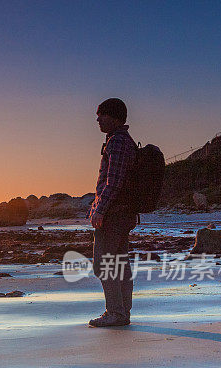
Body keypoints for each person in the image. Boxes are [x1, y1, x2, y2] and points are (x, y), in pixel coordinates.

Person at [88, 97, 137, 327]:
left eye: (102, 114)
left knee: (104, 263)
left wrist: (100, 210)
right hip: (124, 212)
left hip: (114, 213)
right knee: (119, 262)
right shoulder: (125, 141)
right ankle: (122, 312)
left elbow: (113, 182)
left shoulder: (117, 142)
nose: (98, 119)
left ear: (115, 117)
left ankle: (115, 312)